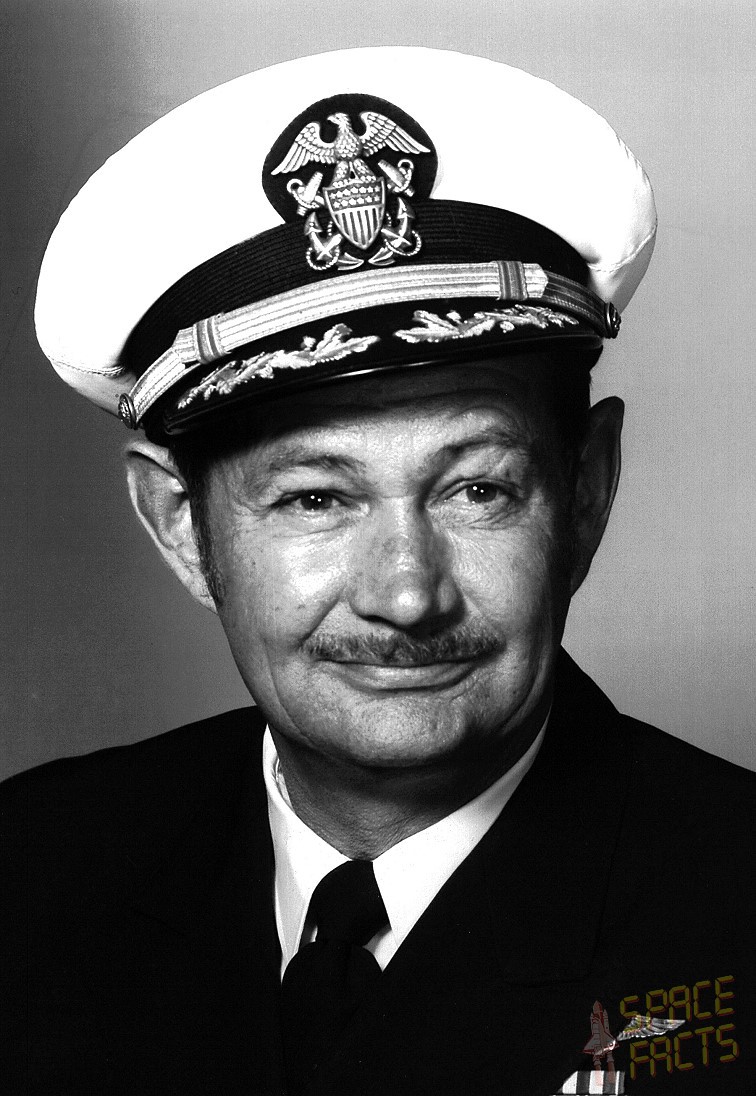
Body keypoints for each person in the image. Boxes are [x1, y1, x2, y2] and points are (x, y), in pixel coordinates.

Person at [2, 47, 754, 1096]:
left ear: (586, 490)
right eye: (316, 498)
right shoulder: (29, 872)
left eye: (477, 488)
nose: (407, 594)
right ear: (180, 525)